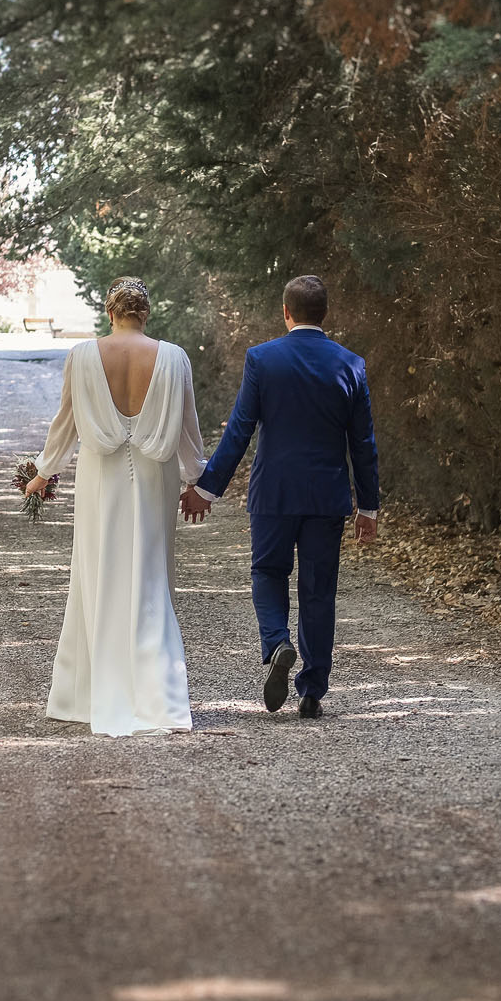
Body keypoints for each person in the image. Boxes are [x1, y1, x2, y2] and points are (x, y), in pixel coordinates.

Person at [181, 274, 379, 719]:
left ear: (285, 312)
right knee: (318, 590)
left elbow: (239, 430)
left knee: (268, 572)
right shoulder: (351, 365)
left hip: (273, 492)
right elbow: (362, 443)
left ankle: (277, 644)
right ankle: (312, 691)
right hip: (327, 497)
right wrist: (368, 506)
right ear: (323, 314)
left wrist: (205, 488)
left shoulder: (263, 359)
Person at [25, 277, 208, 735]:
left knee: (98, 574)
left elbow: (65, 422)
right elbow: (188, 428)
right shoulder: (173, 358)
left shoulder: (83, 356)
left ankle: (87, 695)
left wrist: (43, 474)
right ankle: (157, 696)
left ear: (110, 313)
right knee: (150, 576)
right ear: (145, 313)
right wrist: (197, 482)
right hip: (155, 477)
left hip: (101, 477)